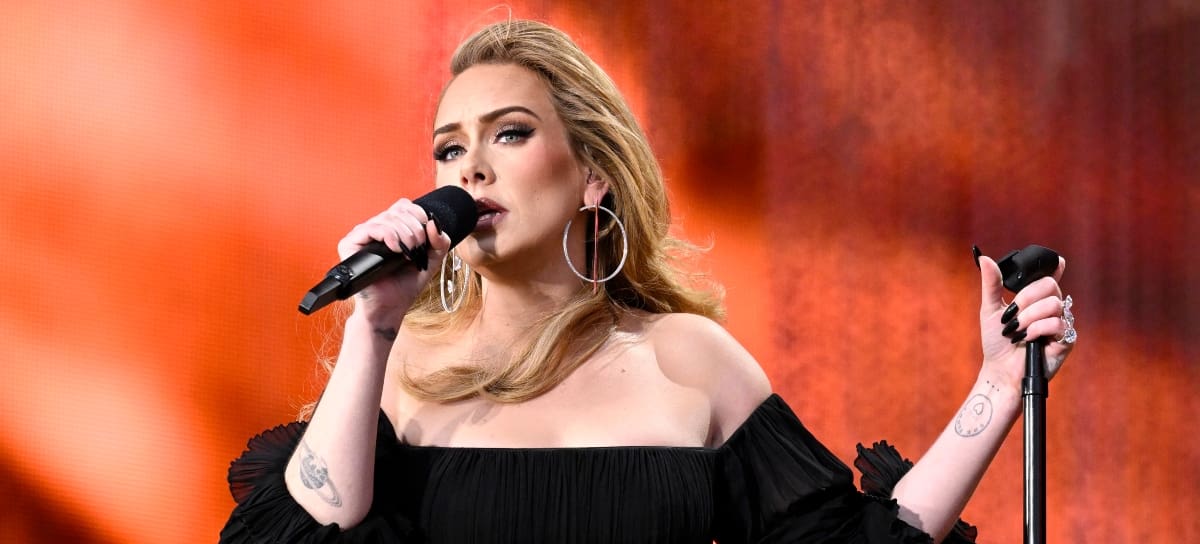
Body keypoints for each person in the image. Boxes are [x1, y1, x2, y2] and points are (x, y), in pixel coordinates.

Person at [220, 19, 1077, 544]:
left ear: (594, 176)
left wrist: (999, 387)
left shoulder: (689, 359)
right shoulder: (404, 366)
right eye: (449, 148)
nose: (469, 168)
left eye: (508, 134)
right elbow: (301, 536)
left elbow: (846, 542)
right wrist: (373, 328)